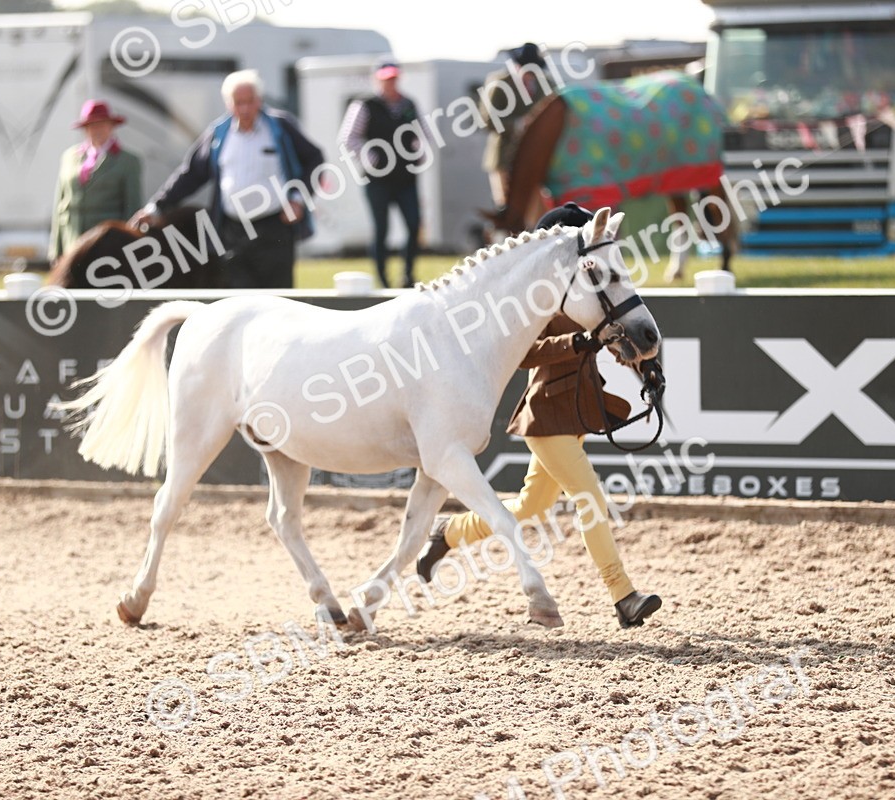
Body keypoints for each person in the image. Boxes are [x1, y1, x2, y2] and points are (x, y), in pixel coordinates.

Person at [417, 203, 663, 630]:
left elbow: (610, 340)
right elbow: (524, 355)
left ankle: (449, 533)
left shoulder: (586, 296)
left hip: (576, 414)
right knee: (591, 500)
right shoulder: (538, 303)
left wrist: (645, 366)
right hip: (547, 416)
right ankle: (623, 595)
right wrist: (576, 343)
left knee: (532, 505)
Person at [130, 69, 324, 288]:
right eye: (238, 103)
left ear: (259, 100)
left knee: (277, 299)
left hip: (274, 229)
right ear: (228, 104)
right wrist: (156, 207)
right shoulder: (218, 134)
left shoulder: (280, 127)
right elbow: (190, 174)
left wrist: (298, 199)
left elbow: (314, 159)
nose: (245, 109)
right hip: (232, 232)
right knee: (236, 300)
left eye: (250, 101)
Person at [338, 61, 423, 288]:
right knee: (381, 229)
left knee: (414, 225)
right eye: (386, 79)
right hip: (378, 179)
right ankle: (383, 279)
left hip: (406, 177)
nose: (390, 83)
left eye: (394, 78)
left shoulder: (408, 104)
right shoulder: (365, 105)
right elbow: (348, 138)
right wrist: (368, 157)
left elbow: (420, 133)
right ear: (377, 80)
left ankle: (407, 275)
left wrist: (419, 151)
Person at [49, 100, 141, 263]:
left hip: (107, 245)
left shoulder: (128, 161)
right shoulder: (69, 157)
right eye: (91, 125)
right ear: (85, 129)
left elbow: (132, 206)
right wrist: (56, 250)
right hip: (71, 240)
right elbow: (60, 205)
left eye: (101, 124)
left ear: (111, 126)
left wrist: (130, 248)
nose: (96, 130)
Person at [481, 43, 554, 223]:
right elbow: (488, 119)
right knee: (509, 209)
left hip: (536, 158)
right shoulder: (499, 84)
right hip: (506, 157)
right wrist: (518, 125)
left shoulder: (546, 84)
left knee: (538, 210)